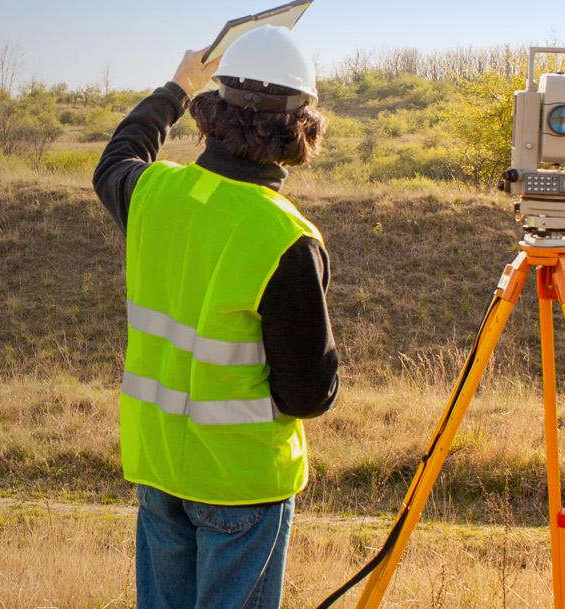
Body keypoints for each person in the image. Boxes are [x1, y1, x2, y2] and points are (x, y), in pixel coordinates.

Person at [89, 25, 338, 609]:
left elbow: (116, 160)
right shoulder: (286, 237)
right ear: (302, 128)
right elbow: (306, 394)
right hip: (241, 483)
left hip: (159, 470)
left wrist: (178, 84)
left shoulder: (154, 194)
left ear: (213, 112)